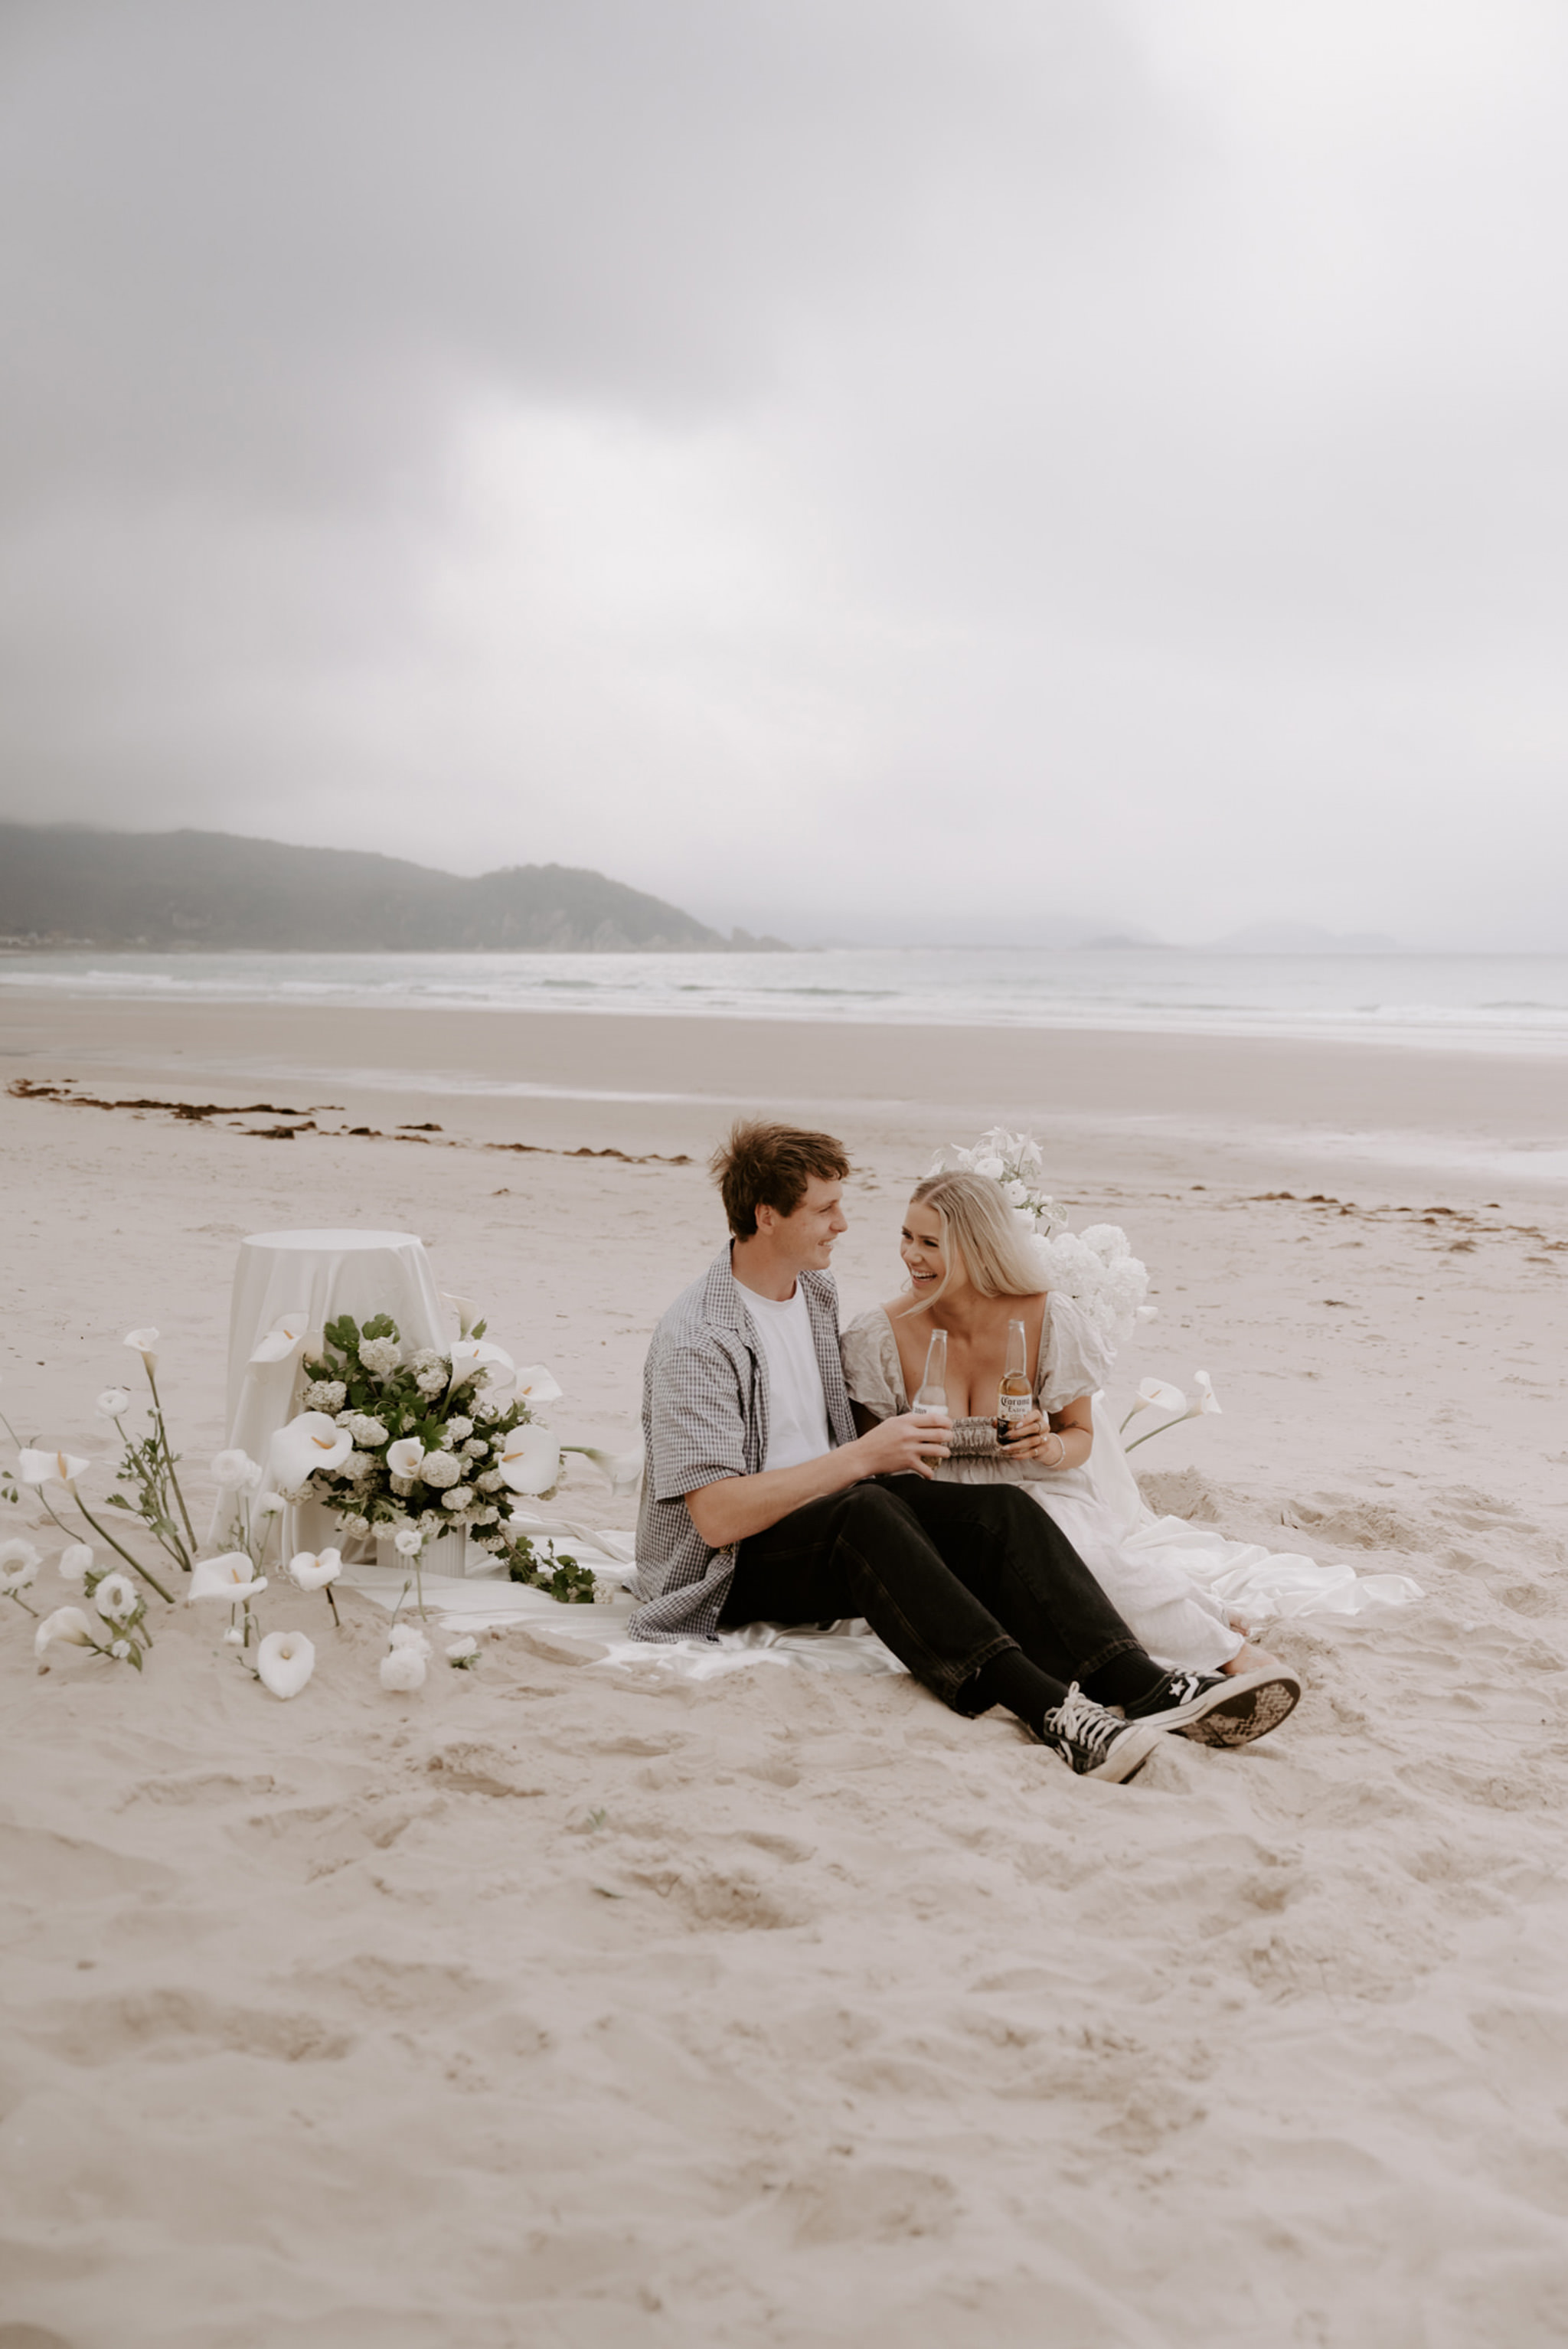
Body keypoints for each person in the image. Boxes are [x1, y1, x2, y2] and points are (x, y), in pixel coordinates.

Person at [630, 1120, 1298, 1783]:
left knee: (999, 1508)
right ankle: (1052, 1711)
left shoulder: (812, 1293)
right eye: (825, 1209)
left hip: (825, 1513)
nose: (843, 1224)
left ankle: (1143, 1684)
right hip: (730, 1568)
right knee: (866, 1510)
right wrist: (864, 1457)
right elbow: (715, 1519)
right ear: (766, 1216)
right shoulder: (700, 1337)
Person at [841, 1170, 1303, 1693]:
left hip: (1038, 1487)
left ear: (978, 1247)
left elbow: (1079, 1435)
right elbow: (871, 1461)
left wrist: (1048, 1445)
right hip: (938, 1501)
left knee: (1086, 1560)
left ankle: (1226, 1653)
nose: (911, 1255)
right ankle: (1186, 1630)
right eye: (907, 1236)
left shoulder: (1047, 1315)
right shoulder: (878, 1333)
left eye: (930, 1243)